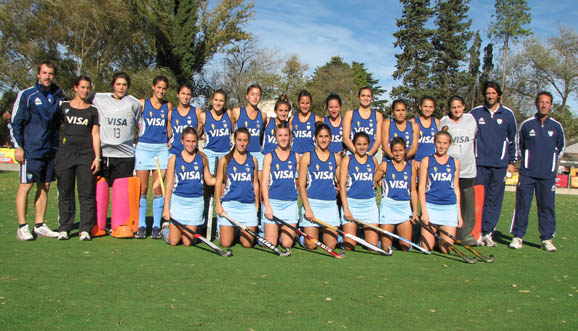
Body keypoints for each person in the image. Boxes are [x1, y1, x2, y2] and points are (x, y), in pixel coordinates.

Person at [10, 60, 65, 240]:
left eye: (50, 73)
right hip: (31, 149)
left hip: (50, 150)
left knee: (46, 185)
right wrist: (18, 146)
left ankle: (39, 224)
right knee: (26, 185)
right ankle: (22, 226)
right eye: (44, 73)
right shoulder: (27, 95)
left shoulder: (58, 96)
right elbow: (15, 123)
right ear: (38, 74)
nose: (47, 76)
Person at [509, 91, 565, 252]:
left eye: (547, 102)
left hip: (547, 175)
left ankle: (546, 239)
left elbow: (560, 149)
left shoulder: (556, 126)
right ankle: (518, 236)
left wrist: (552, 165)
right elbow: (520, 146)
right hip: (528, 174)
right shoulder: (527, 125)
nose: (544, 105)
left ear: (551, 105)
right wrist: (525, 164)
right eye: (541, 102)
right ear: (536, 104)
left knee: (547, 206)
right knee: (522, 205)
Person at [92, 72, 142, 235]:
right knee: (101, 190)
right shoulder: (98, 99)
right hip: (104, 154)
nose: (121, 87)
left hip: (125, 156)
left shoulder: (134, 103)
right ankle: (99, 225)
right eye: (118, 84)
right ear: (113, 85)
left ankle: (119, 226)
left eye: (124, 85)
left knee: (121, 194)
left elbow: (141, 126)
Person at [470, 81, 517, 247]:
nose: (490, 96)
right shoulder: (475, 113)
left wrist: (511, 162)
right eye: (488, 93)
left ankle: (488, 232)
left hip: (499, 165)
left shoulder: (508, 114)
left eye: (493, 93)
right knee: (478, 199)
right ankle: (476, 232)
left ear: (498, 94)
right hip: (479, 164)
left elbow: (512, 140)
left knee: (494, 200)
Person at [55, 75, 100, 241]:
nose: (85, 90)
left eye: (88, 88)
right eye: (82, 87)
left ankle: (85, 228)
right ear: (75, 88)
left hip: (86, 155)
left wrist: (97, 158)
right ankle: (64, 228)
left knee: (87, 193)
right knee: (65, 192)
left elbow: (95, 134)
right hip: (65, 154)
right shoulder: (64, 107)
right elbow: (54, 128)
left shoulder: (92, 110)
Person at [161, 127, 215, 246]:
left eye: (193, 141)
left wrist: (223, 178)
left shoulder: (202, 158)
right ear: (182, 141)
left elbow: (209, 180)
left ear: (197, 142)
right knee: (174, 241)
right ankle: (165, 230)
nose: (190, 144)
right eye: (188, 141)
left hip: (195, 203)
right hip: (178, 202)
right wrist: (166, 208)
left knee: (187, 242)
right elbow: (169, 184)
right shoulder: (174, 159)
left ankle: (187, 230)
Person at [135, 75, 172, 239]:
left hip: (161, 149)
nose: (161, 91)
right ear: (153, 87)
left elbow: (169, 126)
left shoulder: (168, 106)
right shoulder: (142, 104)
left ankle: (156, 226)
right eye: (159, 87)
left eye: (164, 88)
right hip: (144, 148)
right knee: (141, 188)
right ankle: (141, 225)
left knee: (158, 188)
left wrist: (169, 140)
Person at [440, 96, 478, 245]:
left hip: (467, 169)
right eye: (453, 107)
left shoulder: (471, 120)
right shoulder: (443, 122)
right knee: (449, 200)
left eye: (459, 106)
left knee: (467, 203)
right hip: (449, 170)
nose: (456, 110)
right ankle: (446, 231)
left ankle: (465, 234)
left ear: (464, 106)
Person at [298, 123, 342, 250]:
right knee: (311, 245)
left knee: (331, 245)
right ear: (315, 138)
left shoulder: (337, 158)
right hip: (312, 204)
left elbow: (341, 182)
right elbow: (301, 185)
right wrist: (308, 208)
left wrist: (338, 189)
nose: (323, 139)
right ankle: (301, 237)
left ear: (331, 138)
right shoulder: (307, 157)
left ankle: (321, 233)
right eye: (321, 136)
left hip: (330, 205)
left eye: (326, 136)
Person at [215, 128, 259, 248]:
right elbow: (219, 182)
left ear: (248, 142)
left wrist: (257, 204)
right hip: (230, 205)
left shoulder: (253, 160)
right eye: (239, 140)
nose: (242, 143)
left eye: (245, 140)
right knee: (225, 243)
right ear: (234, 140)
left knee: (247, 244)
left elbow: (255, 183)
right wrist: (218, 204)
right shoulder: (225, 160)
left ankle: (238, 230)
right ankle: (227, 231)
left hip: (247, 205)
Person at [419, 131, 462, 253]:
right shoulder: (427, 161)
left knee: (446, 249)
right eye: (439, 142)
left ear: (449, 144)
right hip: (431, 205)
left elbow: (456, 188)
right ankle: (425, 237)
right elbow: (421, 187)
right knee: (426, 248)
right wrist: (424, 212)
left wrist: (458, 214)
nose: (441, 146)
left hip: (449, 207)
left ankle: (440, 240)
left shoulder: (455, 162)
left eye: (445, 143)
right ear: (434, 143)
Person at [374, 137, 418, 250]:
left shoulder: (411, 168)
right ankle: (382, 239)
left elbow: (413, 190)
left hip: (404, 207)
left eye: (400, 150)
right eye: (395, 151)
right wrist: (382, 186)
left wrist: (415, 211)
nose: (398, 153)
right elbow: (373, 180)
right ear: (391, 151)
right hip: (388, 206)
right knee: (386, 247)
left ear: (405, 151)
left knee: (405, 247)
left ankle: (399, 239)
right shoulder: (385, 165)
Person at [261, 122, 299, 249]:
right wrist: (267, 206)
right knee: (271, 245)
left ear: (290, 137)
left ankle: (286, 232)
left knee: (287, 244)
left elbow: (301, 180)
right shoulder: (269, 156)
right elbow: (264, 183)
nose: (283, 138)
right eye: (280, 135)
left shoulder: (296, 156)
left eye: (286, 135)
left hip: (290, 204)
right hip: (273, 203)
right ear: (275, 137)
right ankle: (266, 231)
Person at [339, 132, 379, 250]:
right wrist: (346, 209)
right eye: (359, 144)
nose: (362, 147)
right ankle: (342, 236)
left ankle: (362, 234)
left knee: (372, 247)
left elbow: (376, 182)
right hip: (351, 204)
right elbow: (342, 186)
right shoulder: (347, 160)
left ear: (369, 145)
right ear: (354, 144)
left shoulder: (373, 160)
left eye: (365, 144)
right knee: (349, 246)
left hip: (369, 205)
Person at [231, 84, 266, 171]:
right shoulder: (236, 112)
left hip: (257, 154)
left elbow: (262, 135)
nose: (255, 97)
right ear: (247, 96)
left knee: (259, 182)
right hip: (241, 153)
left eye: (258, 95)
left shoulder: (263, 116)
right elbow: (230, 131)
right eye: (252, 94)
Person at [343, 87, 382, 157]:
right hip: (353, 153)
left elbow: (378, 139)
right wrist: (357, 153)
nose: (366, 98)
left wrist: (369, 155)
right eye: (363, 95)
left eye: (368, 96)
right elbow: (346, 138)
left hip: (371, 154)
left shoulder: (378, 115)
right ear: (358, 97)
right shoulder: (349, 114)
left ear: (372, 98)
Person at [168, 82, 202, 155]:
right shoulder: (171, 113)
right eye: (183, 93)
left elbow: (201, 132)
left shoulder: (197, 112)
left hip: (192, 154)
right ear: (177, 94)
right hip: (174, 152)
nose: (185, 97)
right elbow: (169, 134)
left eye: (188, 94)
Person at [291, 89, 321, 155]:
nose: (305, 106)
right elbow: (289, 138)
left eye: (307, 103)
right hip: (295, 155)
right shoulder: (293, 118)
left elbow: (320, 139)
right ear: (298, 103)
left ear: (311, 104)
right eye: (302, 103)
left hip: (310, 155)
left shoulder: (316, 119)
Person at [411, 96, 439, 166]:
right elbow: (406, 143)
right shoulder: (413, 122)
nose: (428, 109)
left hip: (432, 162)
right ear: (420, 107)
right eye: (425, 106)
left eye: (430, 107)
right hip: (417, 163)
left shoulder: (437, 122)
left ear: (434, 108)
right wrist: (412, 160)